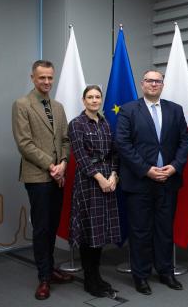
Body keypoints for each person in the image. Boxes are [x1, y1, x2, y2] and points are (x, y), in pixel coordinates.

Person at [116, 70, 188, 295]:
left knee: (165, 230)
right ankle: (140, 275)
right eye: (149, 80)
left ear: (162, 85)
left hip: (168, 181)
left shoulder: (175, 110)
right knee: (140, 231)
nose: (153, 84)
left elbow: (185, 141)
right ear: (142, 84)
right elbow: (122, 144)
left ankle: (165, 271)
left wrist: (175, 166)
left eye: (157, 81)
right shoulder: (128, 110)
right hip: (139, 182)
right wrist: (147, 170)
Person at [12, 60, 73, 300]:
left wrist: (64, 164)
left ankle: (50, 269)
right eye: (42, 78)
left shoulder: (57, 107)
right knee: (41, 228)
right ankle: (43, 278)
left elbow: (66, 140)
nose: (47, 82)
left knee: (52, 226)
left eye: (50, 78)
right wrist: (51, 165)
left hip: (58, 175)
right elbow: (24, 144)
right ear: (32, 78)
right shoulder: (22, 105)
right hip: (38, 176)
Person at [68, 85, 120, 297]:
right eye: (90, 97)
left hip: (108, 179)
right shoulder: (76, 124)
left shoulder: (106, 123)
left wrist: (114, 175)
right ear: (83, 100)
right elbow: (80, 157)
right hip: (89, 181)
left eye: (97, 97)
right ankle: (89, 280)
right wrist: (100, 178)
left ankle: (97, 275)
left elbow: (115, 153)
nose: (94, 100)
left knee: (100, 230)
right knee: (89, 230)